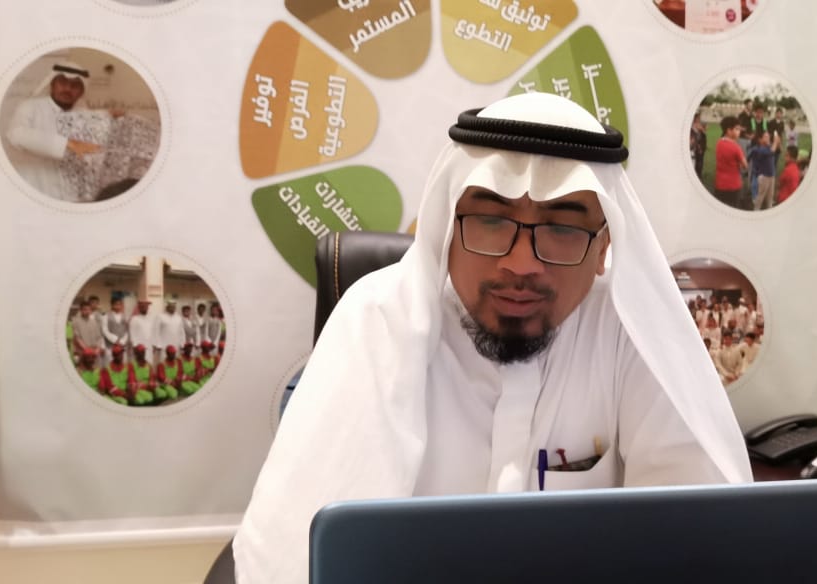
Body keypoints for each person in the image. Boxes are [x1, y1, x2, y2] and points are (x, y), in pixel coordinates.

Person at [233, 93, 752, 583]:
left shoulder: (629, 330)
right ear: (446, 226)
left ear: (603, 248)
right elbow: (295, 555)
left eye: (562, 229)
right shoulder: (377, 321)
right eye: (489, 220)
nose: (521, 264)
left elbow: (700, 536)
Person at [5, 61, 100, 201]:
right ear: (52, 85)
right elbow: (16, 135)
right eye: (63, 83)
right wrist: (67, 144)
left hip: (72, 197)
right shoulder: (30, 107)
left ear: (81, 92)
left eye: (75, 86)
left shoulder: (86, 117)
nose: (68, 89)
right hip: (34, 189)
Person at [713, 116, 748, 209]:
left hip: (719, 184)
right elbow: (745, 165)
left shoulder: (719, 143)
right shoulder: (736, 147)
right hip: (733, 186)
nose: (739, 132)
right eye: (737, 129)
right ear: (729, 130)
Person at [748, 130, 780, 211]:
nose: (768, 138)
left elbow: (777, 149)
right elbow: (771, 152)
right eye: (766, 136)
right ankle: (756, 210)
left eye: (769, 136)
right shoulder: (759, 149)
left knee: (770, 197)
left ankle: (769, 209)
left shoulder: (769, 146)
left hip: (771, 175)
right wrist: (775, 142)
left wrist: (777, 141)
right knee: (760, 196)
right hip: (764, 177)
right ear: (760, 139)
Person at [154, 299, 185, 364]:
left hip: (176, 346)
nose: (172, 308)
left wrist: (182, 343)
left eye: (174, 307)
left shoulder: (178, 318)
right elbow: (156, 331)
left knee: (175, 363)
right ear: (167, 307)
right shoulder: (160, 316)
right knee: (163, 363)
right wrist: (158, 344)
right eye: (171, 306)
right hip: (164, 346)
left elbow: (182, 332)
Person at [101, 297, 129, 365]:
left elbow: (127, 330)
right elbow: (105, 330)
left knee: (123, 365)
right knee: (110, 365)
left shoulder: (125, 316)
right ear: (112, 305)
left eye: (120, 304)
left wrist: (122, 341)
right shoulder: (106, 316)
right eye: (116, 304)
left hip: (122, 345)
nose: (118, 306)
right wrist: (115, 340)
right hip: (110, 346)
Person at [689, 112, 707, 180]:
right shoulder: (692, 126)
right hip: (696, 147)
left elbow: (704, 134)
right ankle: (695, 175)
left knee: (700, 161)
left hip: (700, 147)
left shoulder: (699, 125)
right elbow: (694, 137)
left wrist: (702, 129)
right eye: (697, 118)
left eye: (699, 118)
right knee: (695, 161)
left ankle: (698, 175)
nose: (699, 119)